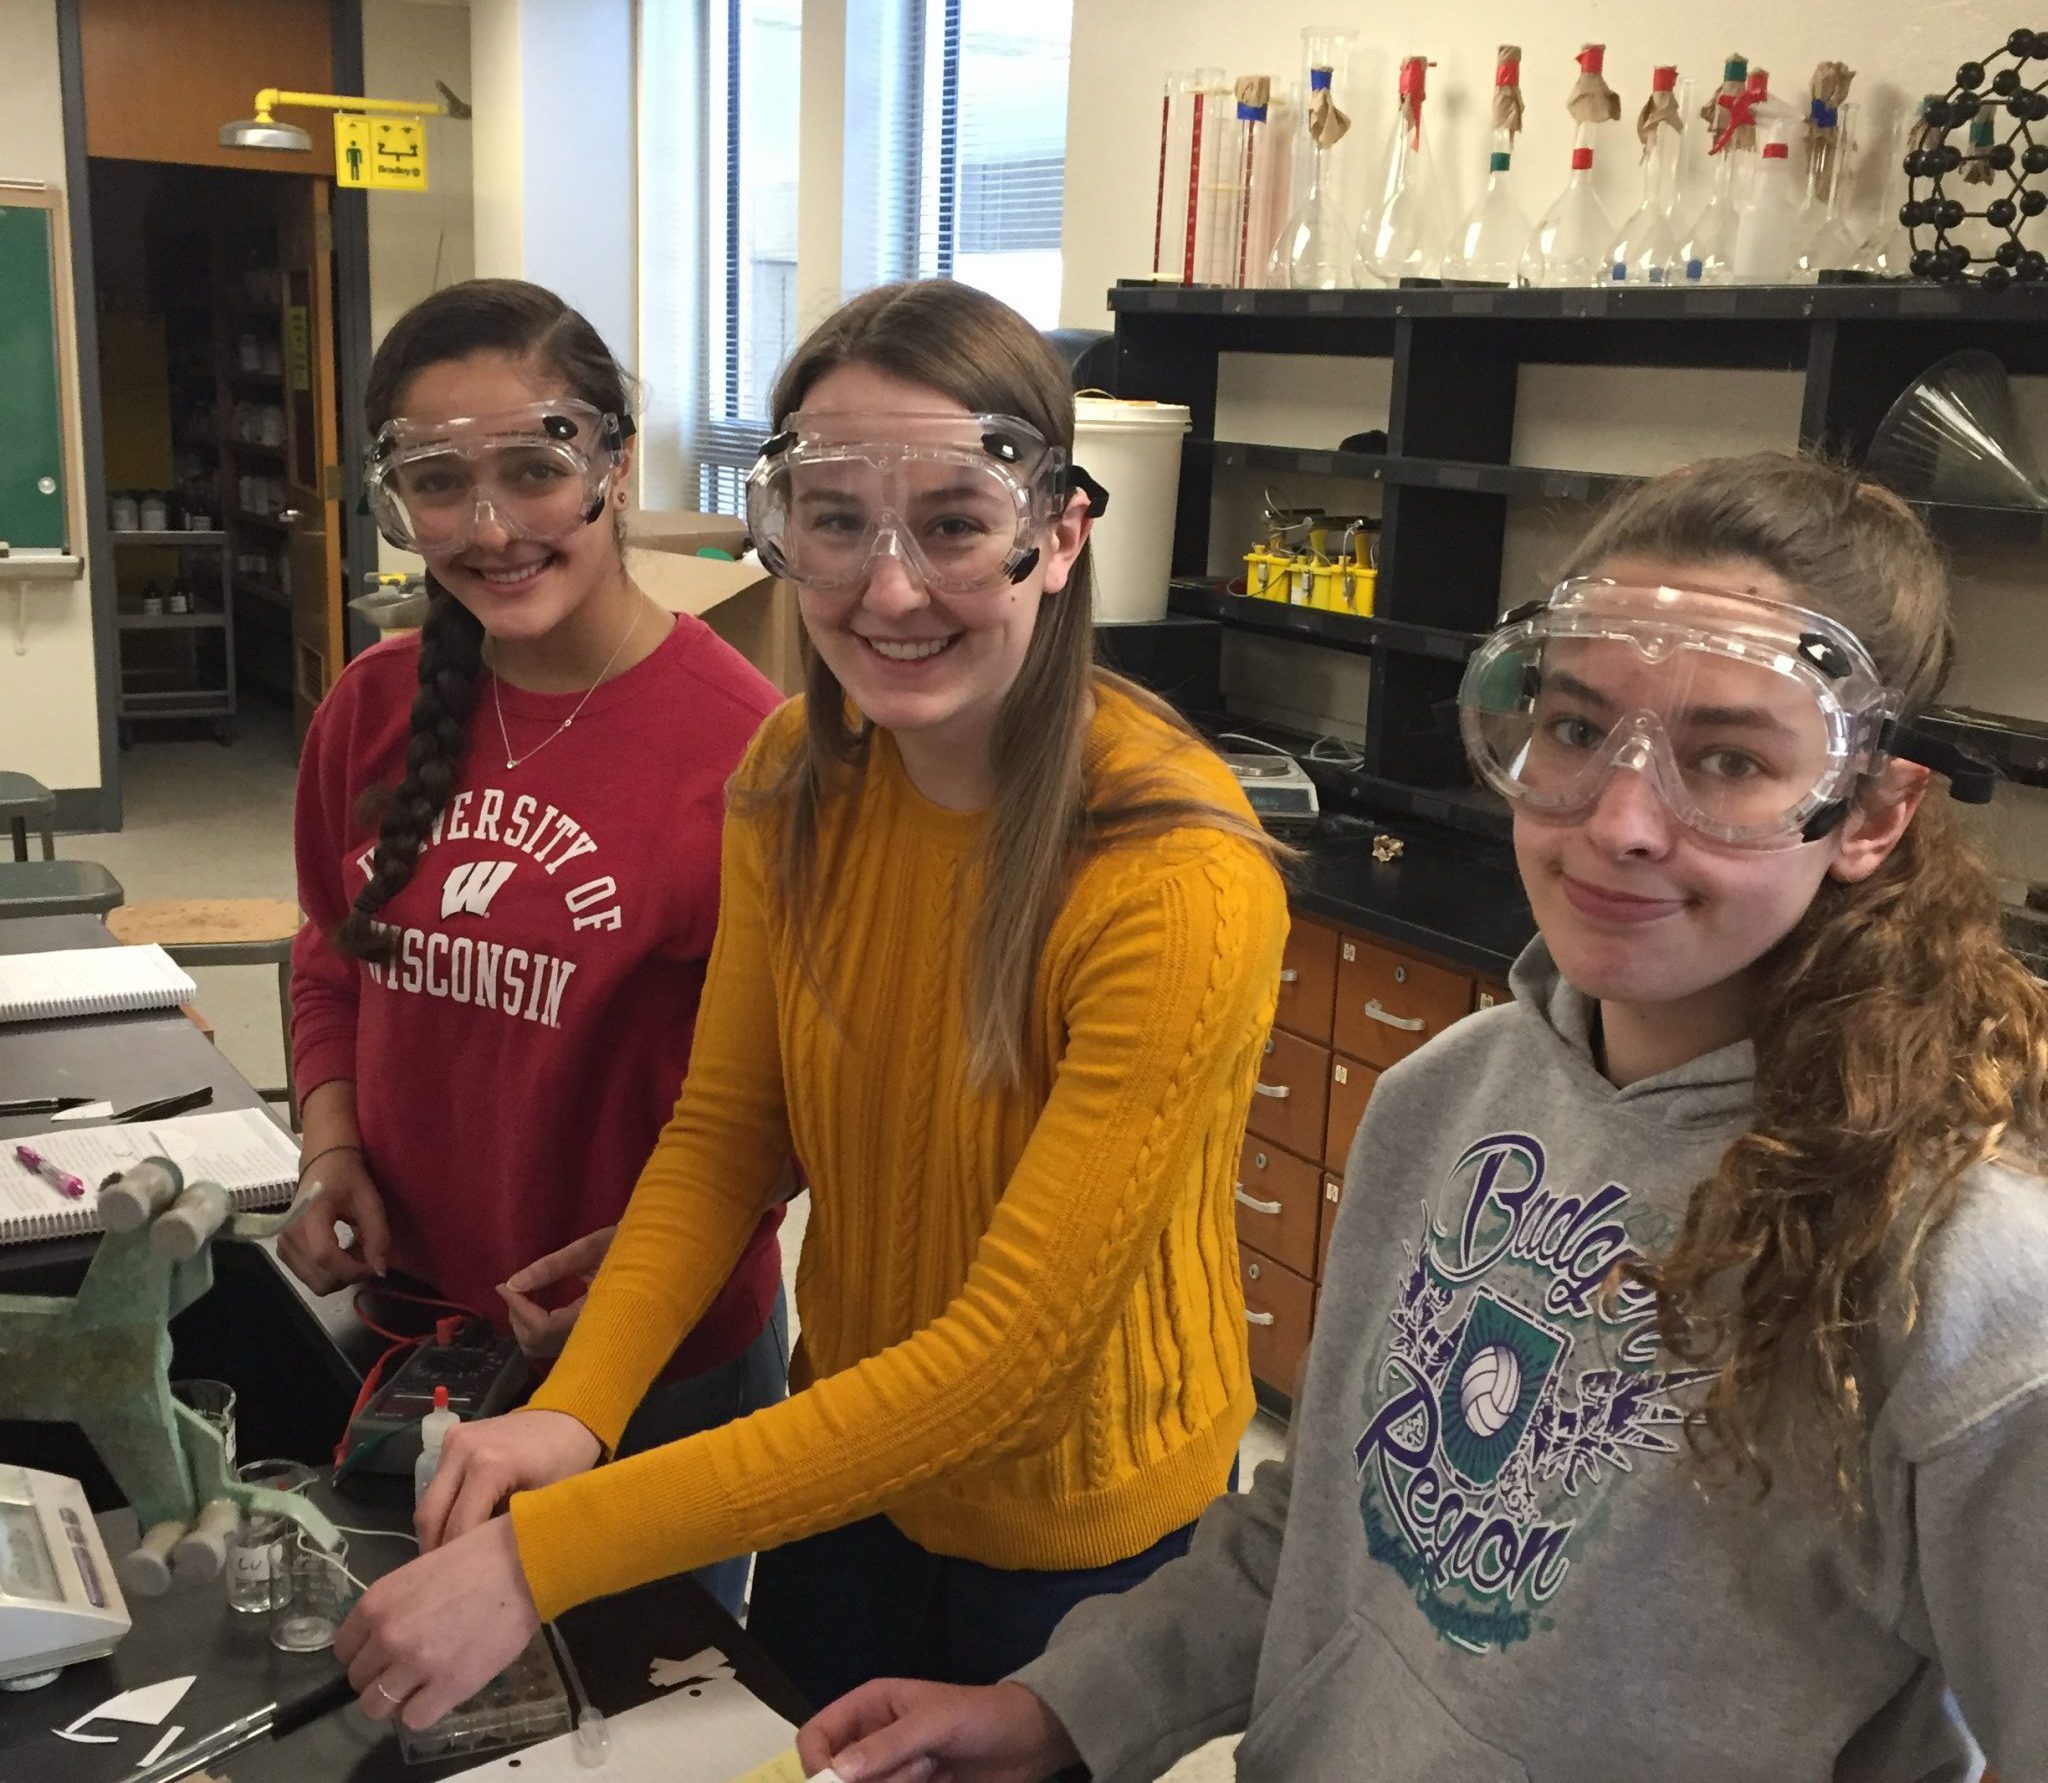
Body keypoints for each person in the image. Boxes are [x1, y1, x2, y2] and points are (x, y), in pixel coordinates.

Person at [798, 454, 2048, 1782]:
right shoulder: (1447, 1097)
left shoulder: (1965, 1280)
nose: (1620, 821)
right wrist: (1062, 1707)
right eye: (1576, 730)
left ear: (1870, 812)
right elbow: (1327, 1525)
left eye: (1729, 759)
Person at [330, 278, 1291, 1731]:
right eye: (834, 522)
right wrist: (577, 1412)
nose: (887, 590)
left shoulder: (1171, 873)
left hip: (1076, 1520)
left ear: (1057, 534)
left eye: (953, 525)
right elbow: (728, 1131)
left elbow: (1004, 1365)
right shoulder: (793, 776)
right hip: (849, 1465)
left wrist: (548, 1552)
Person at [285, 278, 788, 1617]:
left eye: (534, 468)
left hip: (652, 1359)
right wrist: (330, 1145)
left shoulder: (748, 751)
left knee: (647, 1704)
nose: (493, 527)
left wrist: (649, 1266)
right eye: (439, 483)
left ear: (613, 463)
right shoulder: (372, 709)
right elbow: (330, 958)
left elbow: (793, 1098)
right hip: (412, 1330)